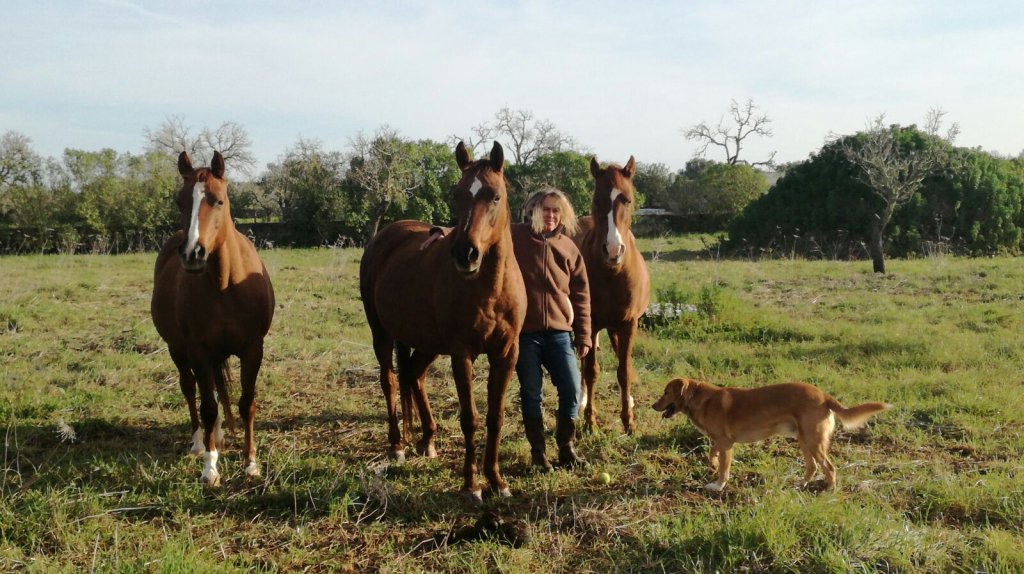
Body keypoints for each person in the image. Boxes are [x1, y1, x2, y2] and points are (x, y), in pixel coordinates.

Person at [422, 188, 592, 471]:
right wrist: (440, 231)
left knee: (572, 389)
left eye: (555, 211)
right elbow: (479, 224)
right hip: (524, 333)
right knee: (531, 393)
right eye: (545, 209)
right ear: (533, 210)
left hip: (560, 333)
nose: (550, 216)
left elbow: (582, 293)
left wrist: (584, 334)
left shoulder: (568, 247)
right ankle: (538, 453)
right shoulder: (514, 236)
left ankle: (566, 446)